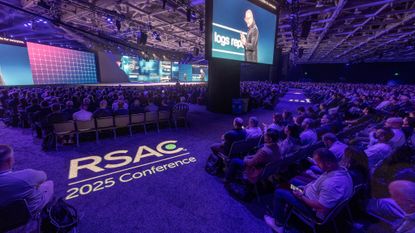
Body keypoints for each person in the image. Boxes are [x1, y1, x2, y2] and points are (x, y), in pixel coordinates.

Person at [264, 148, 353, 233]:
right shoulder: (341, 171)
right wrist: (305, 188)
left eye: (318, 163)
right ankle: (286, 205)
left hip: (310, 206)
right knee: (291, 182)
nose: (316, 165)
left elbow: (321, 208)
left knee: (279, 192)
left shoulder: (332, 184)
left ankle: (278, 223)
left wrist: (301, 196)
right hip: (306, 193)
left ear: (329, 163)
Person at [0, 145, 54, 216]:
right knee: (49, 183)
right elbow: (44, 176)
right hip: (26, 215)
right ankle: (48, 215)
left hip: (3, 221)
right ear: (9, 160)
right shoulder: (28, 175)